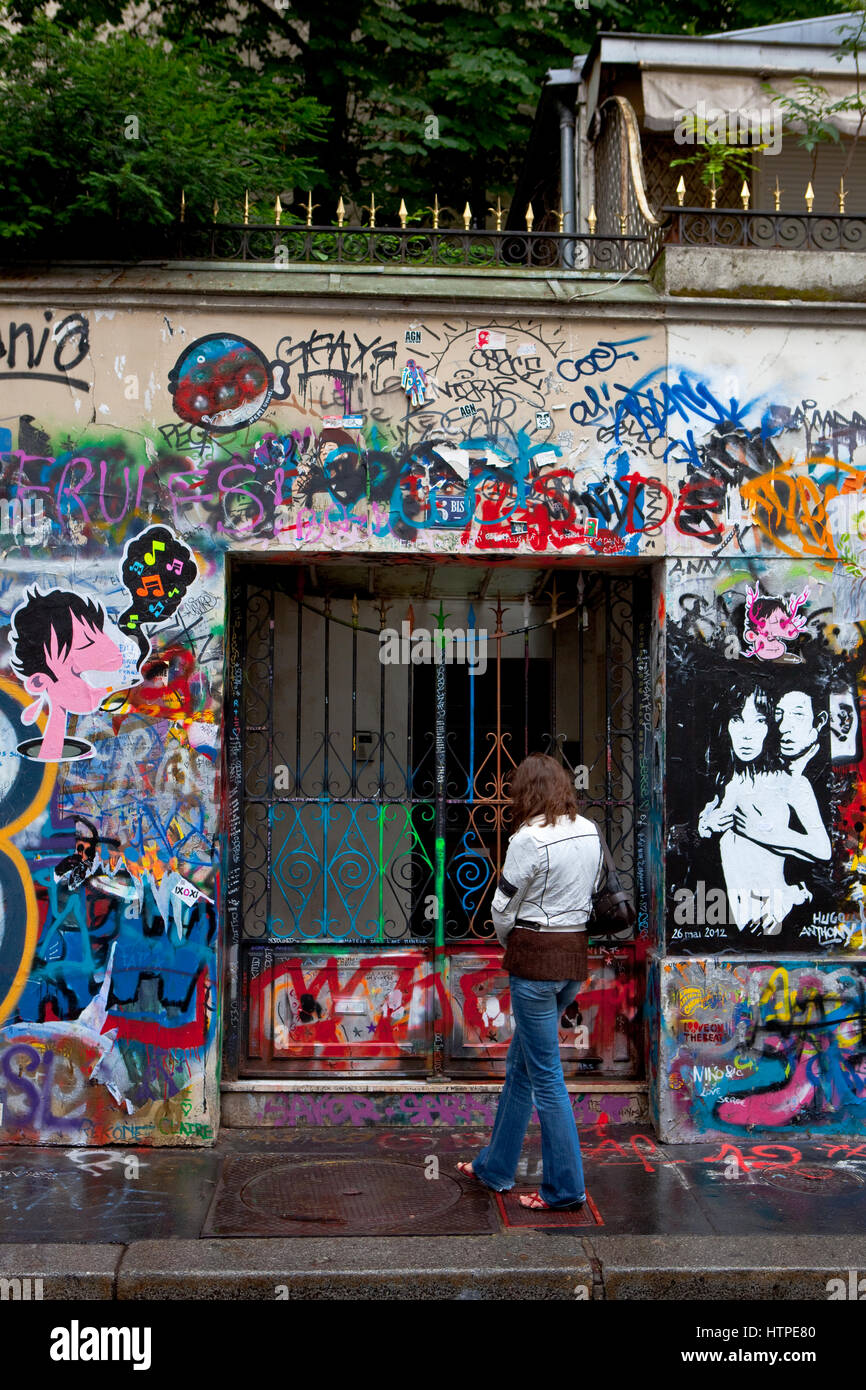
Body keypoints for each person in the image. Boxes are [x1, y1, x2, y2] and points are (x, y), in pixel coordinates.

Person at [457, 753, 600, 1211]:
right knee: (522, 1069)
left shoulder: (527, 839)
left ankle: (566, 1189)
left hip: (535, 965)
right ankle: (494, 1168)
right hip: (572, 962)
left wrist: (507, 944)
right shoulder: (590, 830)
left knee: (546, 1079)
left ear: (526, 792)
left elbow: (502, 908)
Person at [698, 680, 830, 934]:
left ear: (770, 728)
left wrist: (764, 833)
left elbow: (822, 849)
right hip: (731, 922)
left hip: (775, 918)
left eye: (759, 721)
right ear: (725, 725)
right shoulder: (726, 783)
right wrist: (706, 824)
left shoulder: (791, 783)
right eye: (737, 720)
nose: (747, 734)